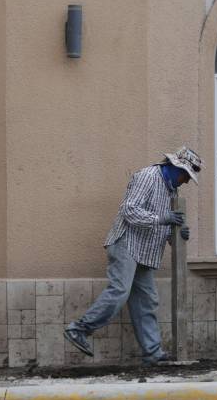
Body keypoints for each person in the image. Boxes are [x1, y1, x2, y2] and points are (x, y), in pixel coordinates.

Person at [65, 146, 204, 365]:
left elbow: (162, 223)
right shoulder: (147, 177)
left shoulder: (172, 190)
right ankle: (78, 329)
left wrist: (176, 233)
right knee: (119, 291)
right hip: (126, 244)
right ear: (176, 167)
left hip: (145, 252)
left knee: (147, 301)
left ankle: (152, 354)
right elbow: (129, 211)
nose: (186, 181)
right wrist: (163, 219)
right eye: (186, 175)